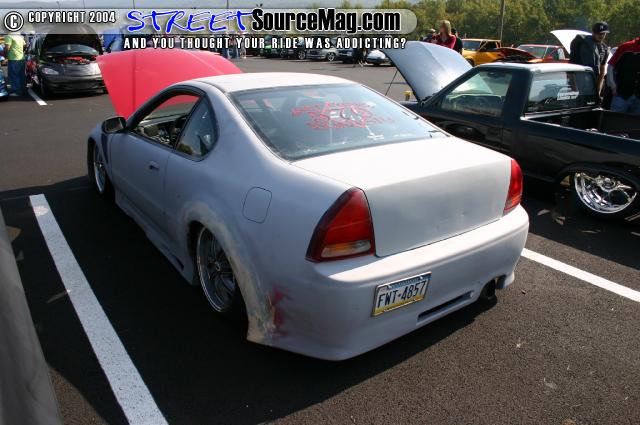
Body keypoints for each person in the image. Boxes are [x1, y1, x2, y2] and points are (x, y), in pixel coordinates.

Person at [569, 22, 610, 95]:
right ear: (593, 33)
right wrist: (574, 88)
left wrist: (598, 91)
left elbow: (602, 71)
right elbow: (571, 66)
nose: (601, 35)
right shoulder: (581, 43)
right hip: (579, 81)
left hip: (593, 84)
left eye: (603, 33)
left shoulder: (605, 49)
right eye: (599, 33)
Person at [606, 37, 640, 114]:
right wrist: (613, 85)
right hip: (621, 95)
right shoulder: (625, 47)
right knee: (615, 120)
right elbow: (611, 66)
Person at [4, 32, 26, 97]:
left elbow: (7, 48)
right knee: (21, 75)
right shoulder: (20, 36)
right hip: (21, 58)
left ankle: (17, 91)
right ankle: (22, 90)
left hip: (13, 58)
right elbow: (25, 45)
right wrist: (21, 52)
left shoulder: (9, 36)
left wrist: (6, 57)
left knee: (14, 75)